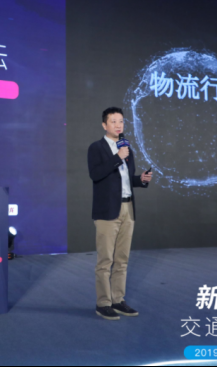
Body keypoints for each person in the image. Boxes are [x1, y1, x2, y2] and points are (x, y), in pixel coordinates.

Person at [87, 107, 152, 321]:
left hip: (127, 208)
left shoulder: (126, 148)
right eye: (113, 121)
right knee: (105, 260)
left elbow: (125, 179)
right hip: (107, 211)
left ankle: (117, 300)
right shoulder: (97, 148)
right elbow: (96, 174)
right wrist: (117, 157)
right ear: (104, 125)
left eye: (121, 121)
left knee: (122, 259)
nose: (118, 125)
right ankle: (103, 303)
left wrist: (140, 180)